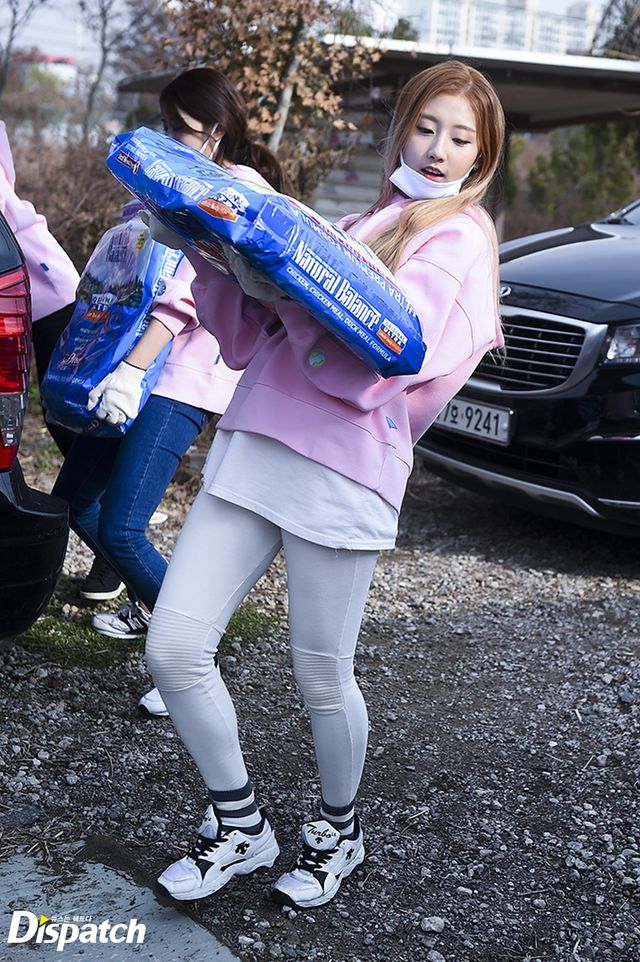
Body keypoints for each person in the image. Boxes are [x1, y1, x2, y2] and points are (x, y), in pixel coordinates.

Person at [143, 58, 506, 908]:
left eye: (461, 137)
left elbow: (386, 359)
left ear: (483, 154)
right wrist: (209, 254)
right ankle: (239, 823)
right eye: (426, 126)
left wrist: (285, 287)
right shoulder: (355, 219)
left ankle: (337, 832)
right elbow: (246, 340)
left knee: (320, 676)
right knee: (174, 644)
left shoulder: (460, 239)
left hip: (343, 469)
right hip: (257, 441)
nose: (439, 148)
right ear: (400, 130)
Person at [53, 66, 292, 718]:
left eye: (181, 128)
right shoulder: (177, 178)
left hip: (180, 375)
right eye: (166, 125)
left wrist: (133, 370)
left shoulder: (237, 189)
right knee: (77, 503)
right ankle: (160, 607)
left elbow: (188, 289)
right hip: (131, 364)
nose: (170, 137)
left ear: (216, 131)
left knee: (125, 528)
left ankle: (193, 656)